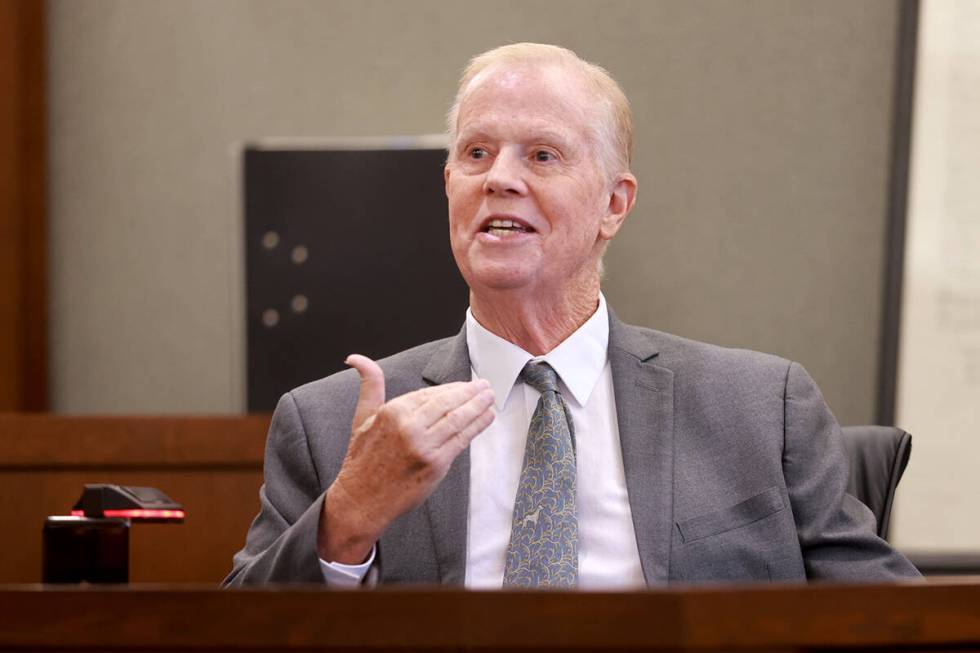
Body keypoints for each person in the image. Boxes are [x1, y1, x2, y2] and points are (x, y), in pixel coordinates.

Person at [226, 43, 919, 587]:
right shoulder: (331, 425)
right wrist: (347, 519)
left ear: (614, 204)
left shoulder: (761, 410)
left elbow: (904, 621)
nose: (499, 176)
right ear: (449, 189)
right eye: (476, 153)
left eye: (542, 154)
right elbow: (230, 637)